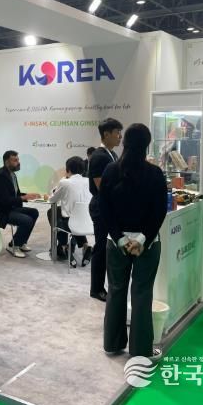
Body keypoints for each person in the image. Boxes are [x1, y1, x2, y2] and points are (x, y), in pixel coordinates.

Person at [99, 124, 167, 359]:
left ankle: (112, 343)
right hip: (147, 244)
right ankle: (140, 350)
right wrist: (142, 239)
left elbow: (104, 209)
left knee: (116, 291)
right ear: (147, 144)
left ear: (125, 142)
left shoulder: (110, 171)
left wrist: (119, 238)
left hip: (116, 243)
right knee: (142, 293)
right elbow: (159, 211)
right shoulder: (155, 173)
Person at [88, 118, 123, 302]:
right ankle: (96, 289)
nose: (120, 136)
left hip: (110, 207)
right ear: (106, 134)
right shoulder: (99, 157)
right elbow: (102, 187)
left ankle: (107, 286)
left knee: (107, 248)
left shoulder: (112, 155)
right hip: (101, 207)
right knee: (101, 248)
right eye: (117, 133)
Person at [0, 150, 40, 258]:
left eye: (18, 160)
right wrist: (23, 198)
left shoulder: (12, 175)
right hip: (2, 211)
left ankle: (21, 242)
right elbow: (5, 200)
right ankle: (14, 245)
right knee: (27, 220)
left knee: (34, 212)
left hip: (11, 208)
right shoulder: (0, 176)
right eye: (15, 160)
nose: (18, 162)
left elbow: (16, 194)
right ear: (7, 162)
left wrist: (28, 195)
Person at [48, 156, 92, 266]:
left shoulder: (65, 182)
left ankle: (64, 246)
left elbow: (52, 199)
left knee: (53, 213)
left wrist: (56, 188)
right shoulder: (89, 181)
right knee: (72, 218)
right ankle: (86, 246)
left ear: (68, 169)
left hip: (70, 223)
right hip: (89, 222)